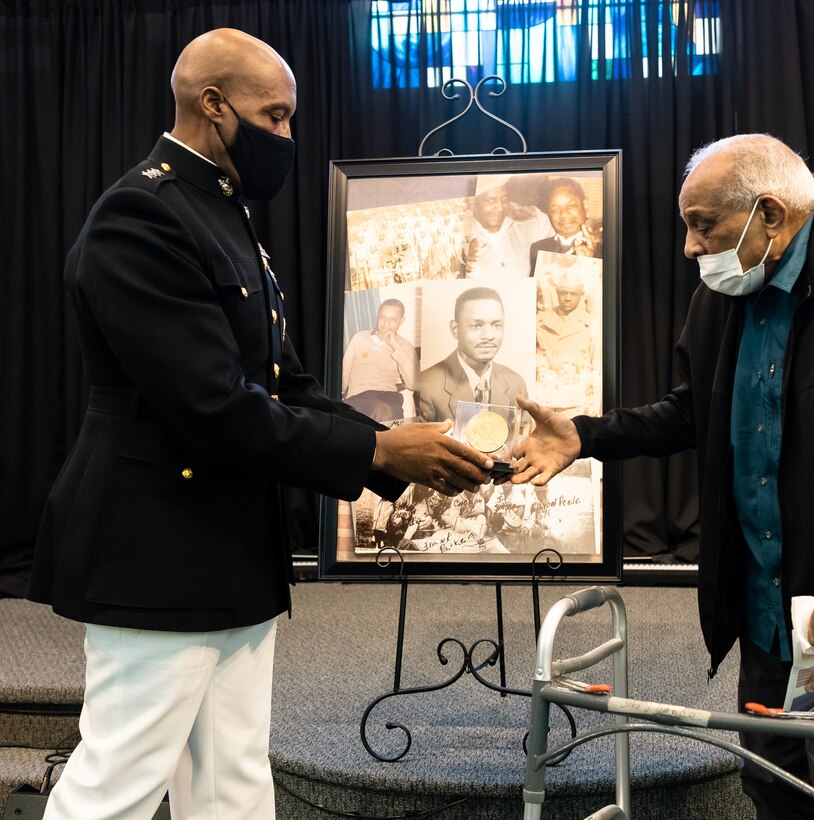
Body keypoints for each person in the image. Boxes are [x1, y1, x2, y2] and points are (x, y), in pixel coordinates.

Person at [28, 29, 492, 820]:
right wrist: (376, 447)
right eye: (274, 117)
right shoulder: (141, 217)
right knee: (117, 785)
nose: (286, 136)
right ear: (213, 105)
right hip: (155, 549)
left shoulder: (220, 209)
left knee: (231, 782)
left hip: (229, 544)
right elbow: (212, 406)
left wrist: (395, 452)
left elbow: (285, 383)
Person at [511, 134, 814, 818]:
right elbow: (693, 412)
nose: (691, 247)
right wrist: (587, 435)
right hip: (767, 617)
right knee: (775, 794)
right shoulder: (723, 293)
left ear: (770, 215)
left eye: (703, 225)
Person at [418, 286, 528, 422]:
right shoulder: (427, 386)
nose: (489, 336)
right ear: (455, 330)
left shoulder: (515, 383)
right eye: (477, 325)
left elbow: (522, 440)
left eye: (497, 325)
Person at [341, 298, 418, 421]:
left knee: (384, 409)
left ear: (402, 321)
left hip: (390, 399)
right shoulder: (359, 338)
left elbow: (413, 384)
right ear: (377, 316)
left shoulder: (405, 347)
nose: (386, 324)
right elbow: (343, 375)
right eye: (382, 318)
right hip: (359, 398)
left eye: (393, 320)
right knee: (380, 409)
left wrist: (395, 346)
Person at [463, 175, 552, 278]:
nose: (500, 207)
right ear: (472, 203)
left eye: (504, 199)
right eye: (490, 200)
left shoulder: (536, 220)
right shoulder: (456, 238)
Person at [529, 177, 603, 274]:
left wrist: (590, 262)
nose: (563, 214)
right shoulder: (538, 248)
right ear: (548, 213)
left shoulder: (604, 247)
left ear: (585, 205)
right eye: (555, 209)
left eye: (571, 205)